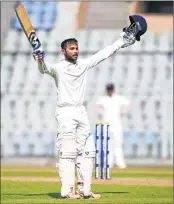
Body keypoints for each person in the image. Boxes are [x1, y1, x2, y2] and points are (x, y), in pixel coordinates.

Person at [32, 15, 147, 199]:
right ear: (63, 51)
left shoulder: (83, 65)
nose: (75, 51)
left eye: (77, 48)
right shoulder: (58, 68)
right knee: (68, 152)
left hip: (80, 111)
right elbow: (44, 68)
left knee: (88, 151)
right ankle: (68, 191)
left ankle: (85, 190)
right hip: (65, 112)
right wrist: (39, 59)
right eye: (71, 49)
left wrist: (120, 42)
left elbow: (104, 53)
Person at [95, 83, 131, 169]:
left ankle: (120, 162)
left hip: (117, 124)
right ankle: (109, 162)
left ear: (113, 90)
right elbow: (96, 107)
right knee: (108, 144)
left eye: (111, 90)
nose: (110, 91)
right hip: (106, 124)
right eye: (108, 90)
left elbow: (129, 105)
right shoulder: (103, 99)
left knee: (118, 143)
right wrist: (102, 112)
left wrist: (123, 112)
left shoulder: (118, 98)